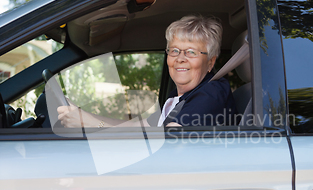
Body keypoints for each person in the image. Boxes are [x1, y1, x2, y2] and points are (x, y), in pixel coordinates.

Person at [57, 15, 236, 128]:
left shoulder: (212, 92)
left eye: (191, 52)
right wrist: (84, 116)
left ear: (210, 62)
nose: (180, 58)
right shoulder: (178, 97)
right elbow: (139, 127)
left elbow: (167, 142)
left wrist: (90, 124)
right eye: (174, 50)